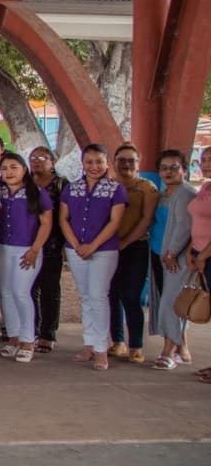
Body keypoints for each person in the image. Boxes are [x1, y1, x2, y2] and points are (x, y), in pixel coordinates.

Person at [59, 144, 127, 372]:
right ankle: (89, 343)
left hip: (104, 250)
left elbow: (115, 222)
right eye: (89, 162)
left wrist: (93, 245)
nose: (94, 166)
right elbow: (63, 219)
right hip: (76, 249)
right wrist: (77, 244)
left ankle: (100, 348)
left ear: (107, 163)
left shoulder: (115, 189)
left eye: (99, 161)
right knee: (86, 296)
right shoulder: (71, 189)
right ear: (83, 163)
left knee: (98, 296)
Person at [0, 152, 53, 364]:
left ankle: (28, 340)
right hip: (2, 248)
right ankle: (14, 337)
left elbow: (46, 223)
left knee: (21, 292)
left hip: (27, 249)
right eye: (5, 168)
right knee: (6, 293)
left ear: (24, 170)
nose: (9, 172)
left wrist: (35, 249)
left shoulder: (36, 192)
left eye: (14, 167)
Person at [107, 143, 159, 363]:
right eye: (122, 160)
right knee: (112, 294)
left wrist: (126, 241)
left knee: (131, 295)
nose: (126, 164)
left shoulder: (147, 187)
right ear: (114, 162)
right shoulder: (107, 186)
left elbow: (147, 219)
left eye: (131, 160)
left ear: (138, 163)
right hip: (109, 247)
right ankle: (117, 342)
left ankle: (135, 345)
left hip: (136, 246)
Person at [149, 149, 196, 370]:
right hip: (160, 254)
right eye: (164, 167)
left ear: (184, 170)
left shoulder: (185, 193)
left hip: (176, 259)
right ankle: (182, 349)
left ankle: (168, 351)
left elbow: (185, 227)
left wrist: (172, 252)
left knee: (171, 303)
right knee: (169, 302)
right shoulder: (165, 194)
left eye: (174, 167)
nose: (168, 172)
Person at [28, 146, 68, 353]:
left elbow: (66, 216)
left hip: (53, 245)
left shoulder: (61, 185)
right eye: (33, 158)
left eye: (42, 158)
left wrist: (66, 244)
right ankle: (31, 330)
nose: (36, 161)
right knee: (29, 289)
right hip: (26, 244)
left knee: (50, 290)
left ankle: (47, 333)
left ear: (52, 162)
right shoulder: (25, 183)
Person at [187, 149, 211, 382]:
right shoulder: (204, 188)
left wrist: (203, 255)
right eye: (203, 160)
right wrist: (191, 251)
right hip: (199, 252)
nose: (206, 164)